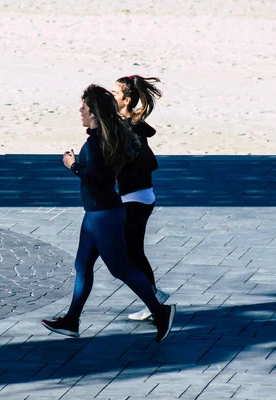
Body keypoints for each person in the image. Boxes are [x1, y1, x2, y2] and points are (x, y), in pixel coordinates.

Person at [41, 84, 176, 342]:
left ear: (94, 114)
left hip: (105, 214)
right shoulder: (100, 138)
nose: (80, 110)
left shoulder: (96, 145)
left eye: (84, 107)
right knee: (82, 264)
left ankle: (161, 312)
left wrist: (73, 166)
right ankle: (71, 321)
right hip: (95, 213)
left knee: (121, 268)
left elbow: (97, 179)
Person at [111, 75, 168, 321]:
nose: (109, 95)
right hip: (136, 195)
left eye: (114, 93)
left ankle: (154, 299)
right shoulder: (126, 122)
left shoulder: (129, 127)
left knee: (131, 253)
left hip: (136, 196)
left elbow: (142, 158)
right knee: (132, 252)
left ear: (127, 99)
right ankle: (153, 298)